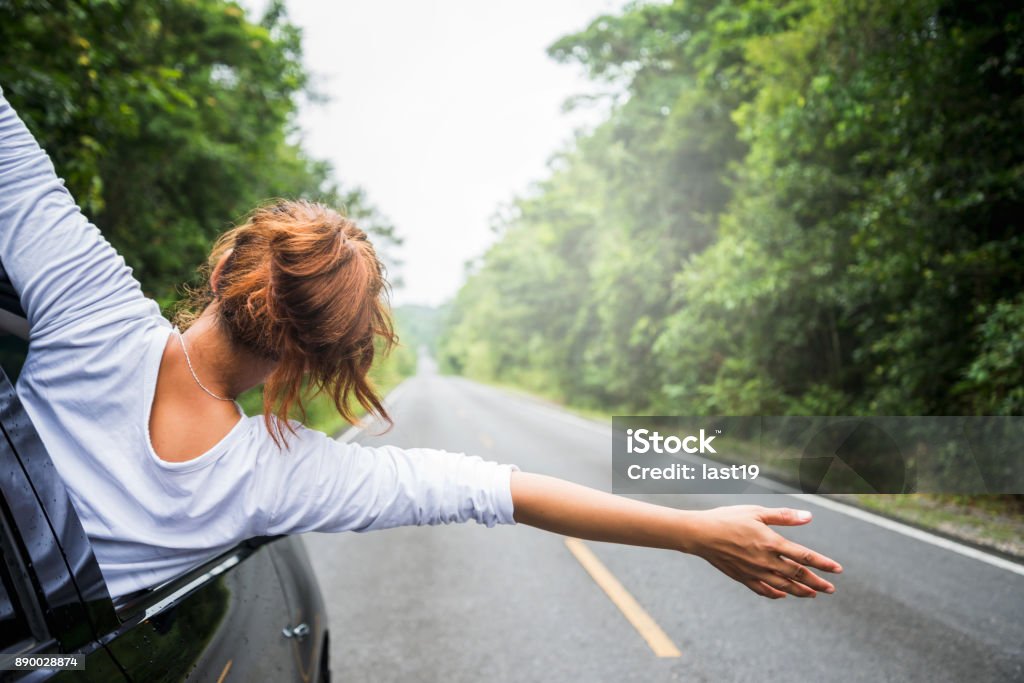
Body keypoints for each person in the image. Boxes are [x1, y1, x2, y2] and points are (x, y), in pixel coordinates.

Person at [0, 86, 841, 605]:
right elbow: (500, 490)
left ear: (226, 262)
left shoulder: (93, 310)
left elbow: (17, 165)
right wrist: (695, 531)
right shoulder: (275, 475)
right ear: (318, 361)